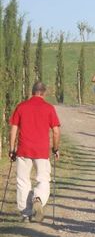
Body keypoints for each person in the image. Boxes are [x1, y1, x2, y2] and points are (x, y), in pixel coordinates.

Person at [8, 81, 61, 223]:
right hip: (42, 151)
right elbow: (56, 132)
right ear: (44, 93)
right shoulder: (49, 108)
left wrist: (12, 149)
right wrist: (55, 149)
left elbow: (13, 128)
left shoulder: (21, 106)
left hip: (23, 149)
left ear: (32, 92)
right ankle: (38, 198)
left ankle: (25, 214)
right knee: (43, 179)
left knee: (22, 180)